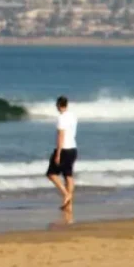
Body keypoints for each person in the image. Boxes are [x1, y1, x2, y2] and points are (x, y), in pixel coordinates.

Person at [46, 95, 78, 223]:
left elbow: (61, 136)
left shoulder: (61, 118)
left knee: (51, 174)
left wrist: (58, 153)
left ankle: (66, 195)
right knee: (68, 176)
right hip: (73, 149)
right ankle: (69, 205)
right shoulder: (73, 116)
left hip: (64, 149)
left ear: (58, 105)